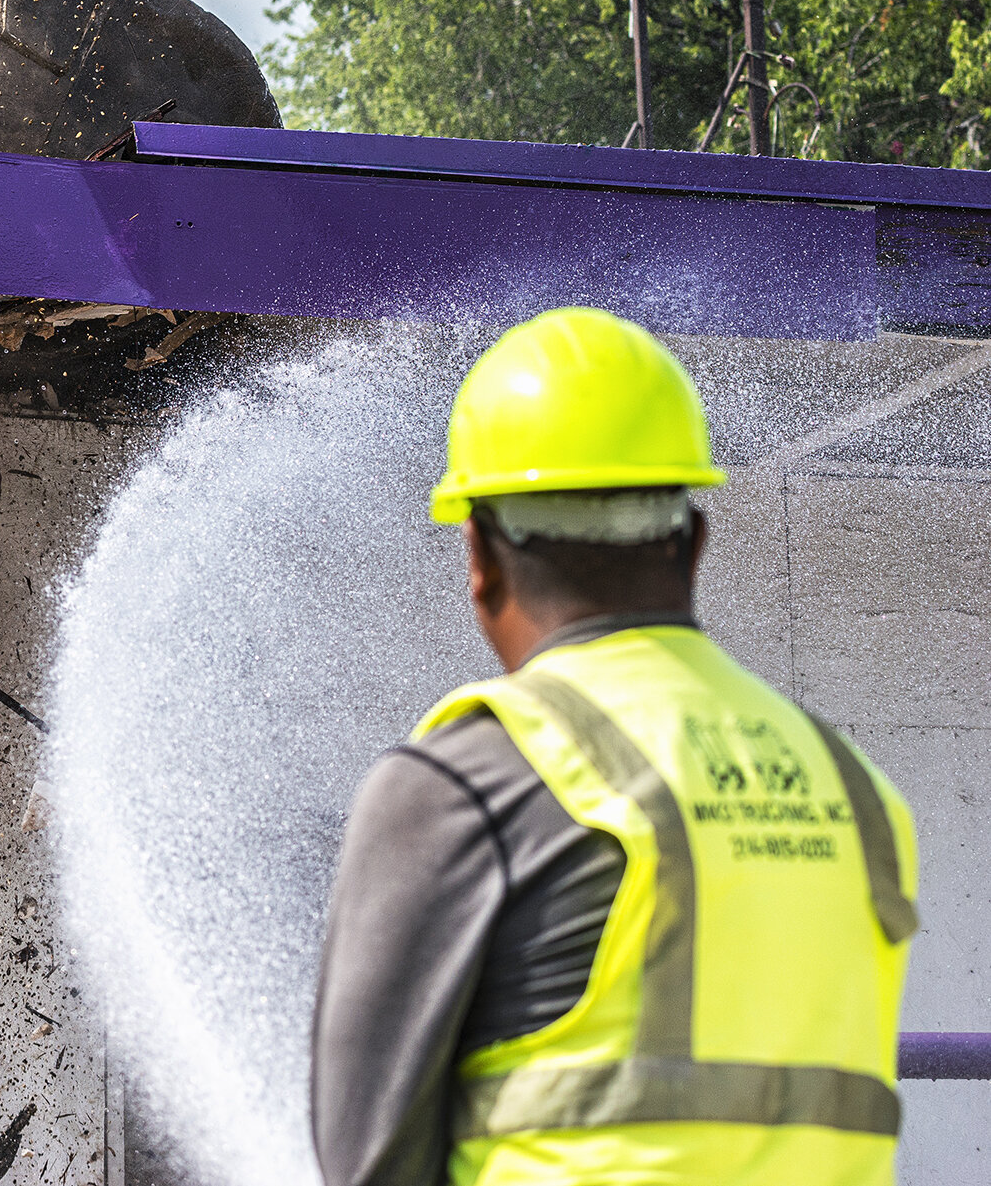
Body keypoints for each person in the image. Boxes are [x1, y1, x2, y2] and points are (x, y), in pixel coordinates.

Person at [311, 307, 919, 1186]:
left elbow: (366, 1163)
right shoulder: (861, 795)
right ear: (694, 542)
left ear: (478, 553)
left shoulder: (467, 782)